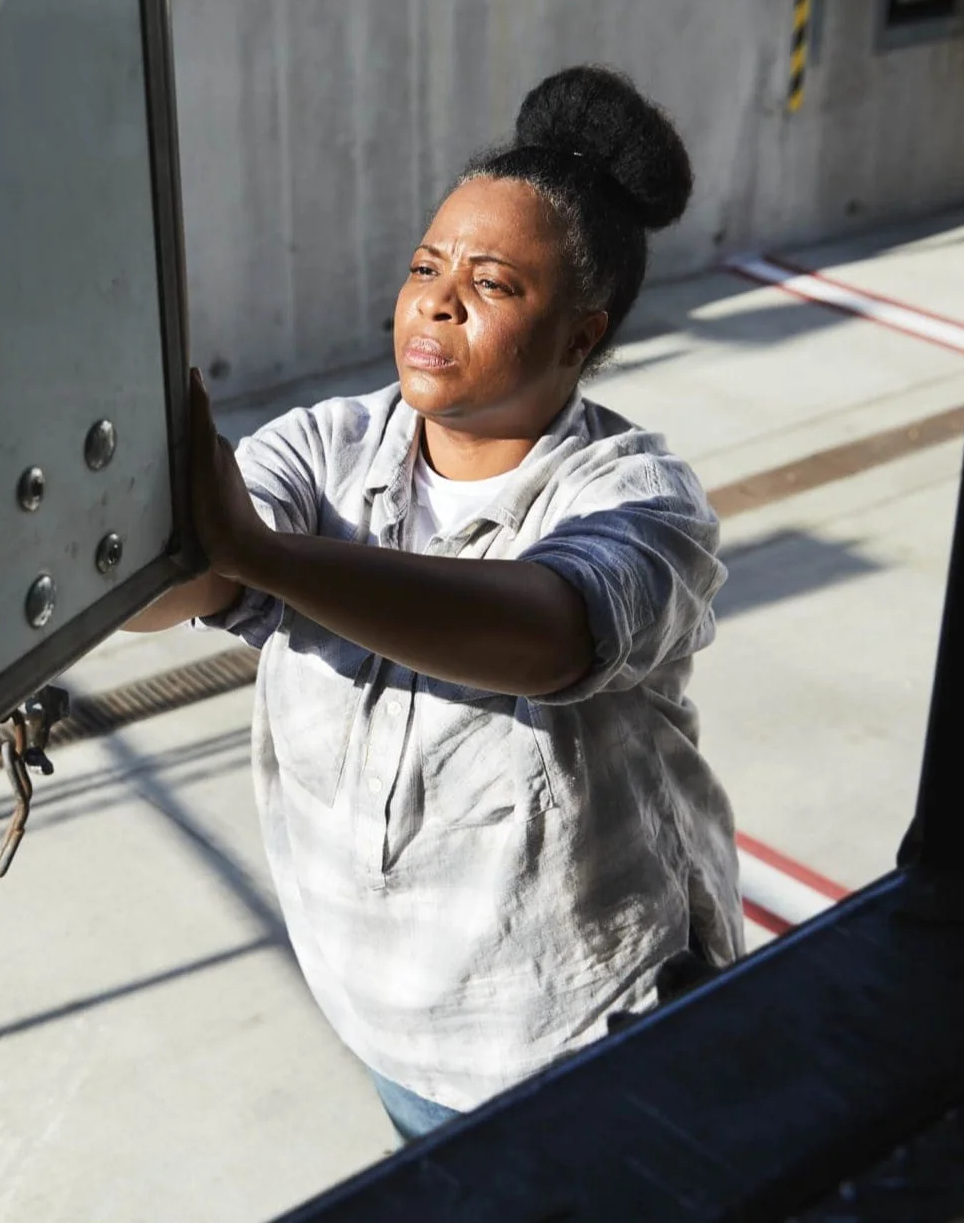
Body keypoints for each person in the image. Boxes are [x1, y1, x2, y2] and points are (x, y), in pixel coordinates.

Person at [126, 66, 738, 1144]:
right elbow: (196, 585)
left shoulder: (640, 498)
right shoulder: (326, 450)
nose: (437, 299)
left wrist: (263, 553)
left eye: (493, 284)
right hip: (396, 1030)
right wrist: (154, 534)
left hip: (590, 1031)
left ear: (580, 337)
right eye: (425, 266)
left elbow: (551, 633)